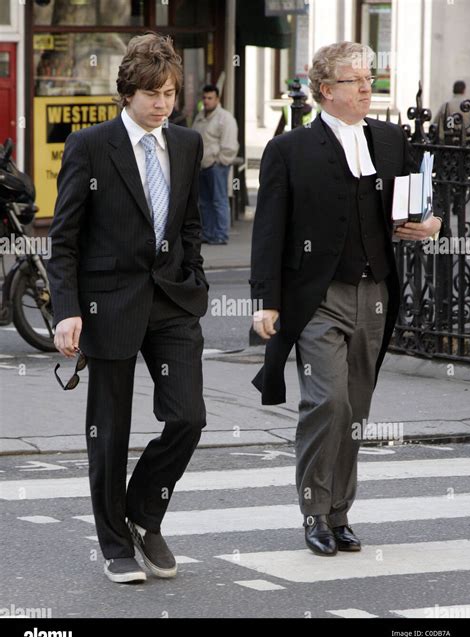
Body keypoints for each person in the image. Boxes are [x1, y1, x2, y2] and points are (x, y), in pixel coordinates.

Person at [250, 42, 443, 557]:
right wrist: (266, 300)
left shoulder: (389, 138)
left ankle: (339, 513)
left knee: (356, 407)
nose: (367, 89)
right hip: (317, 298)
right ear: (324, 91)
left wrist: (429, 223)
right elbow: (268, 231)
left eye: (370, 79)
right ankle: (314, 511)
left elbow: (419, 203)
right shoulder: (289, 150)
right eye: (355, 81)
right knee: (327, 400)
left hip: (375, 292)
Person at [47, 33, 208, 583]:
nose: (162, 104)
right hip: (108, 304)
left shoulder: (186, 144)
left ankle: (143, 513)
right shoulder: (91, 146)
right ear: (126, 92)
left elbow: (188, 225)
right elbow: (63, 237)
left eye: (168, 93)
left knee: (189, 417)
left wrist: (197, 280)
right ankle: (116, 546)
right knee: (109, 433)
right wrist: (67, 309)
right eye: (151, 94)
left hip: (172, 301)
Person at [192, 84, 239, 245]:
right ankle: (208, 233)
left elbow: (230, 144)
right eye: (204, 98)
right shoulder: (200, 116)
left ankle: (221, 235)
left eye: (210, 98)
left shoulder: (225, 118)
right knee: (205, 202)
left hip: (217, 166)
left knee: (219, 200)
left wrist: (220, 161)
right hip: (202, 165)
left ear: (217, 99)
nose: (206, 101)